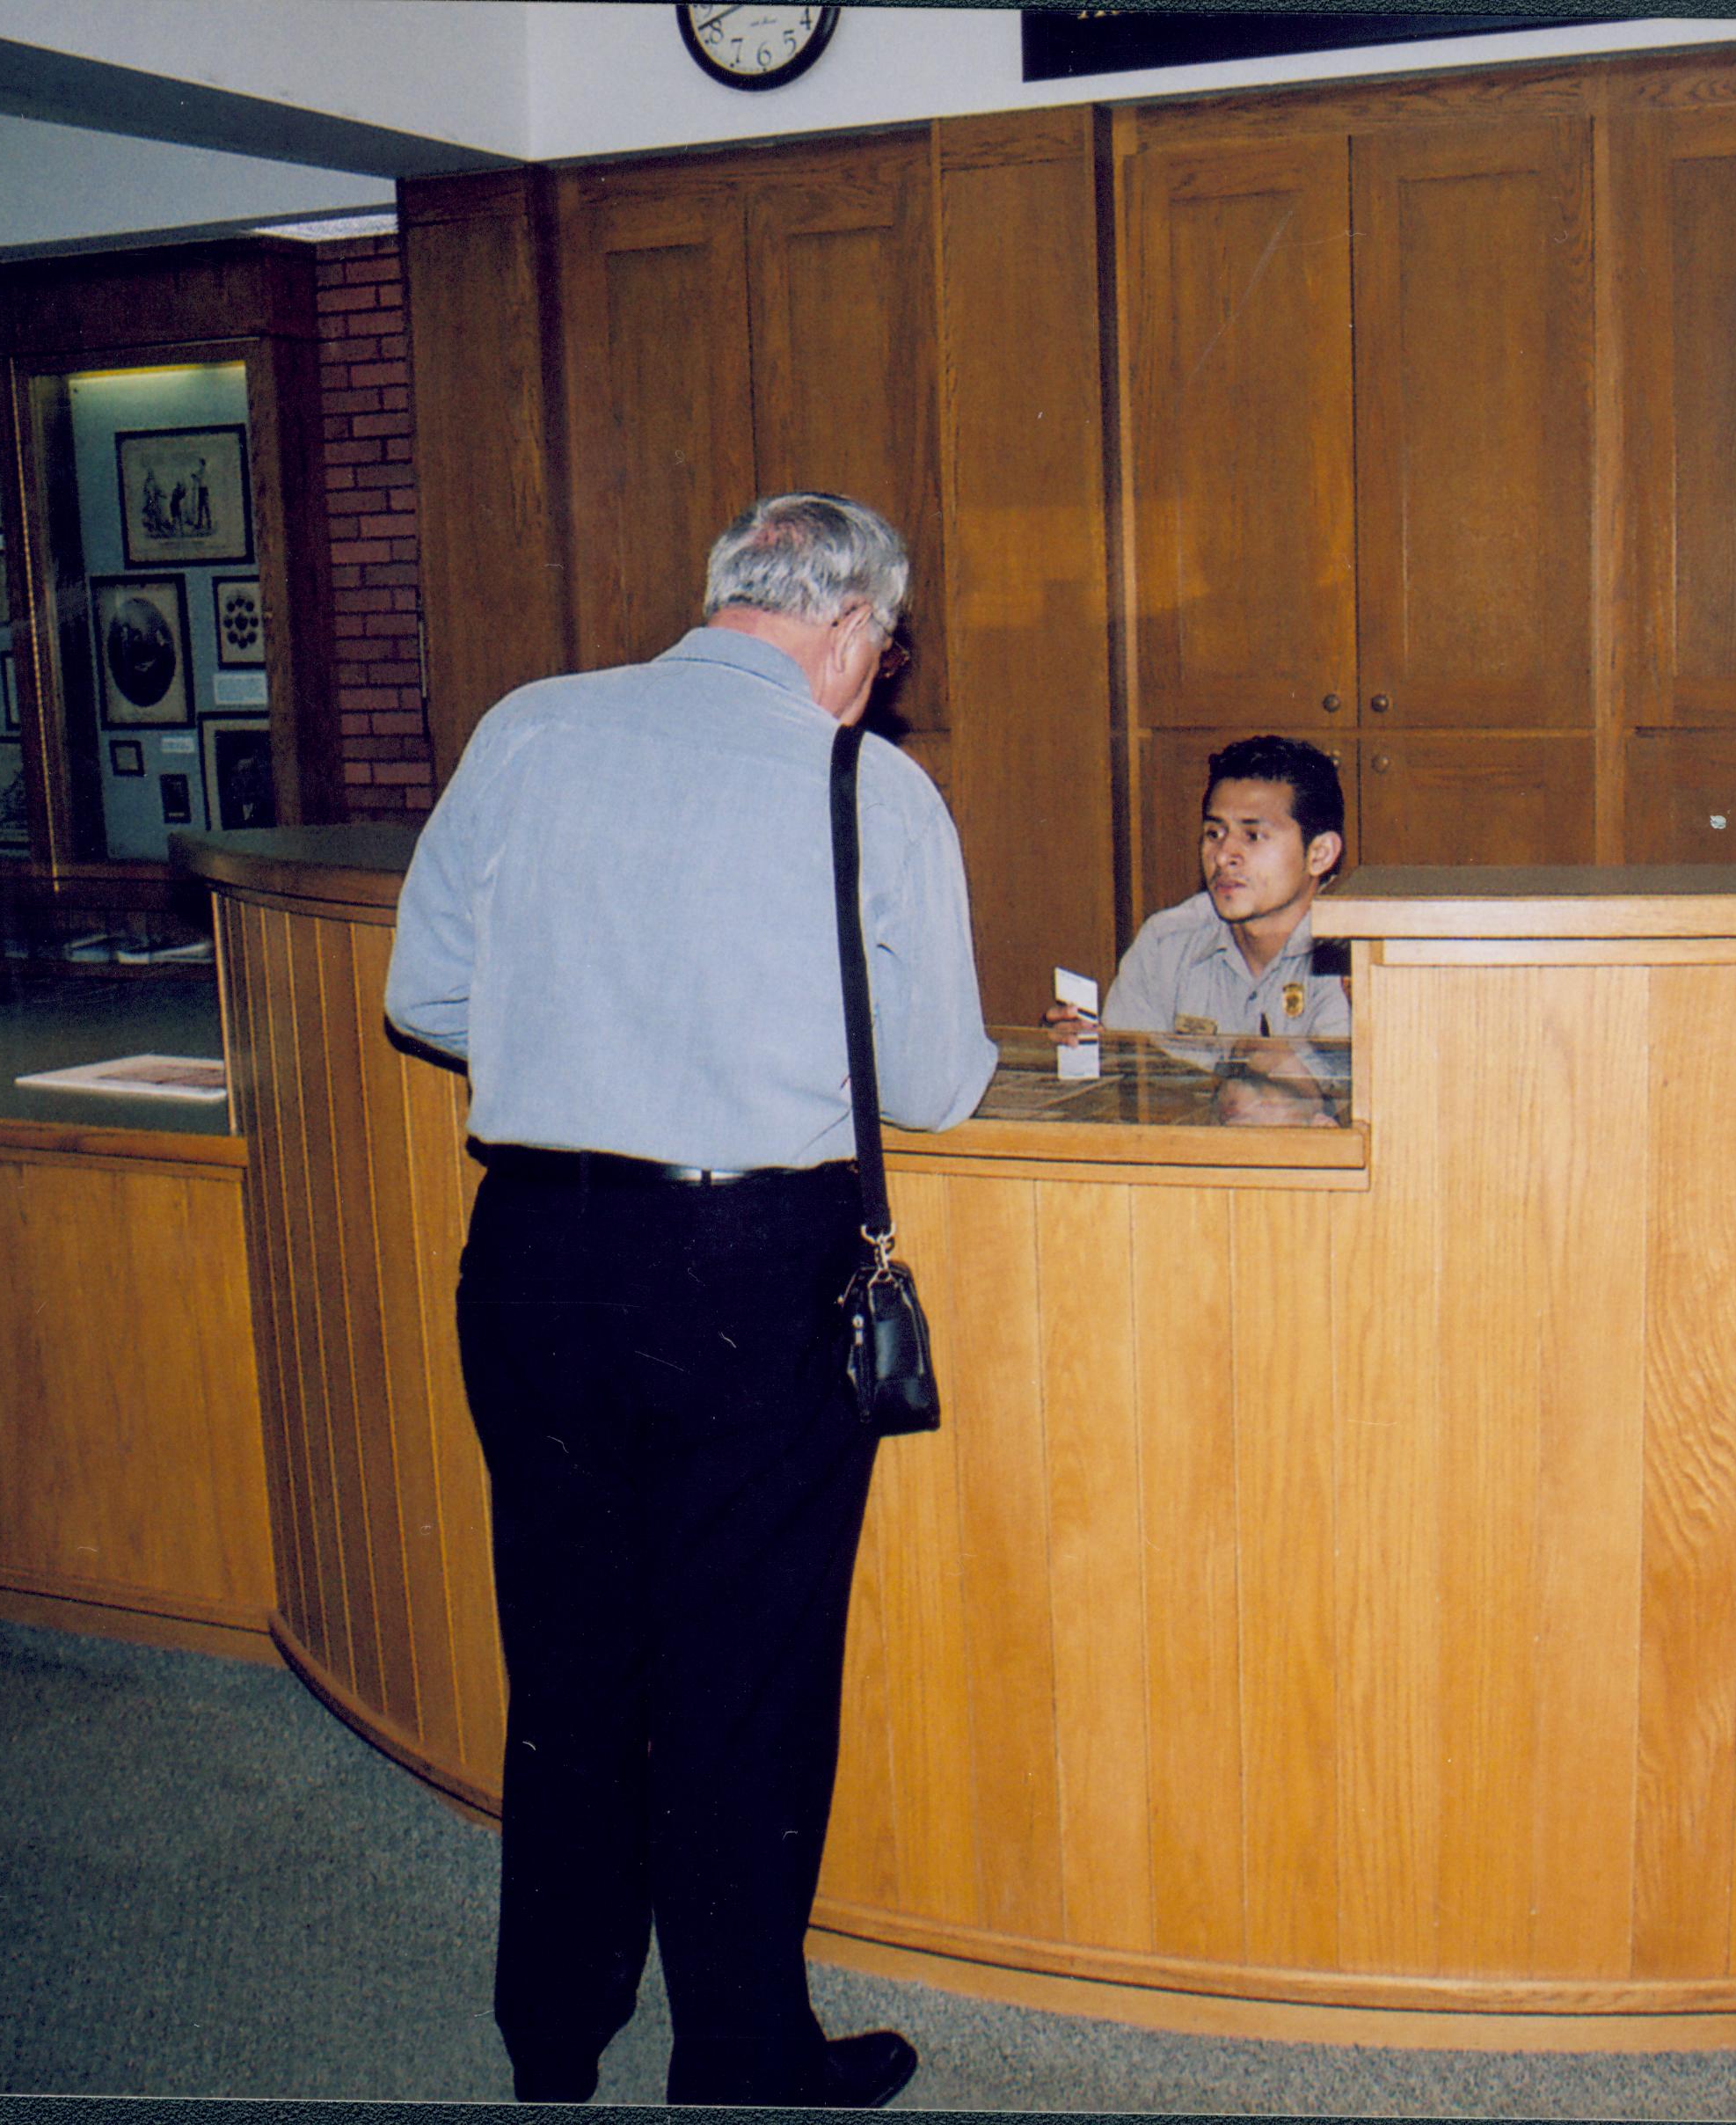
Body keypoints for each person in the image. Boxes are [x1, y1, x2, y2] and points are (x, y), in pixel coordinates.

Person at [383, 493, 996, 2109]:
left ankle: (554, 2036)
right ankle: (737, 2052)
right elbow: (933, 1077)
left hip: (533, 1256)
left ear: (727, 596)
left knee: (570, 1658)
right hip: (749, 1272)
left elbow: (423, 992)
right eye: (889, 645)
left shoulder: (529, 728)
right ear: (854, 632)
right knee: (745, 1678)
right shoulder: (872, 785)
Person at [1048, 734, 1351, 1041]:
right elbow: (1130, 1078)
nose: (1222, 856)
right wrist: (1086, 1052)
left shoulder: (1354, 959)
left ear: (1319, 854)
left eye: (1253, 836)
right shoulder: (1166, 943)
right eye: (1214, 833)